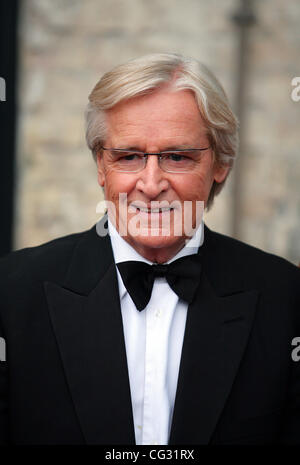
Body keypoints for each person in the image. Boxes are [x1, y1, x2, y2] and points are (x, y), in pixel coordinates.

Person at [0, 53, 299, 445]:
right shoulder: (10, 293)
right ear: (100, 167)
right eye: (129, 157)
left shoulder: (287, 299)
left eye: (177, 156)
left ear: (220, 164)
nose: (151, 182)